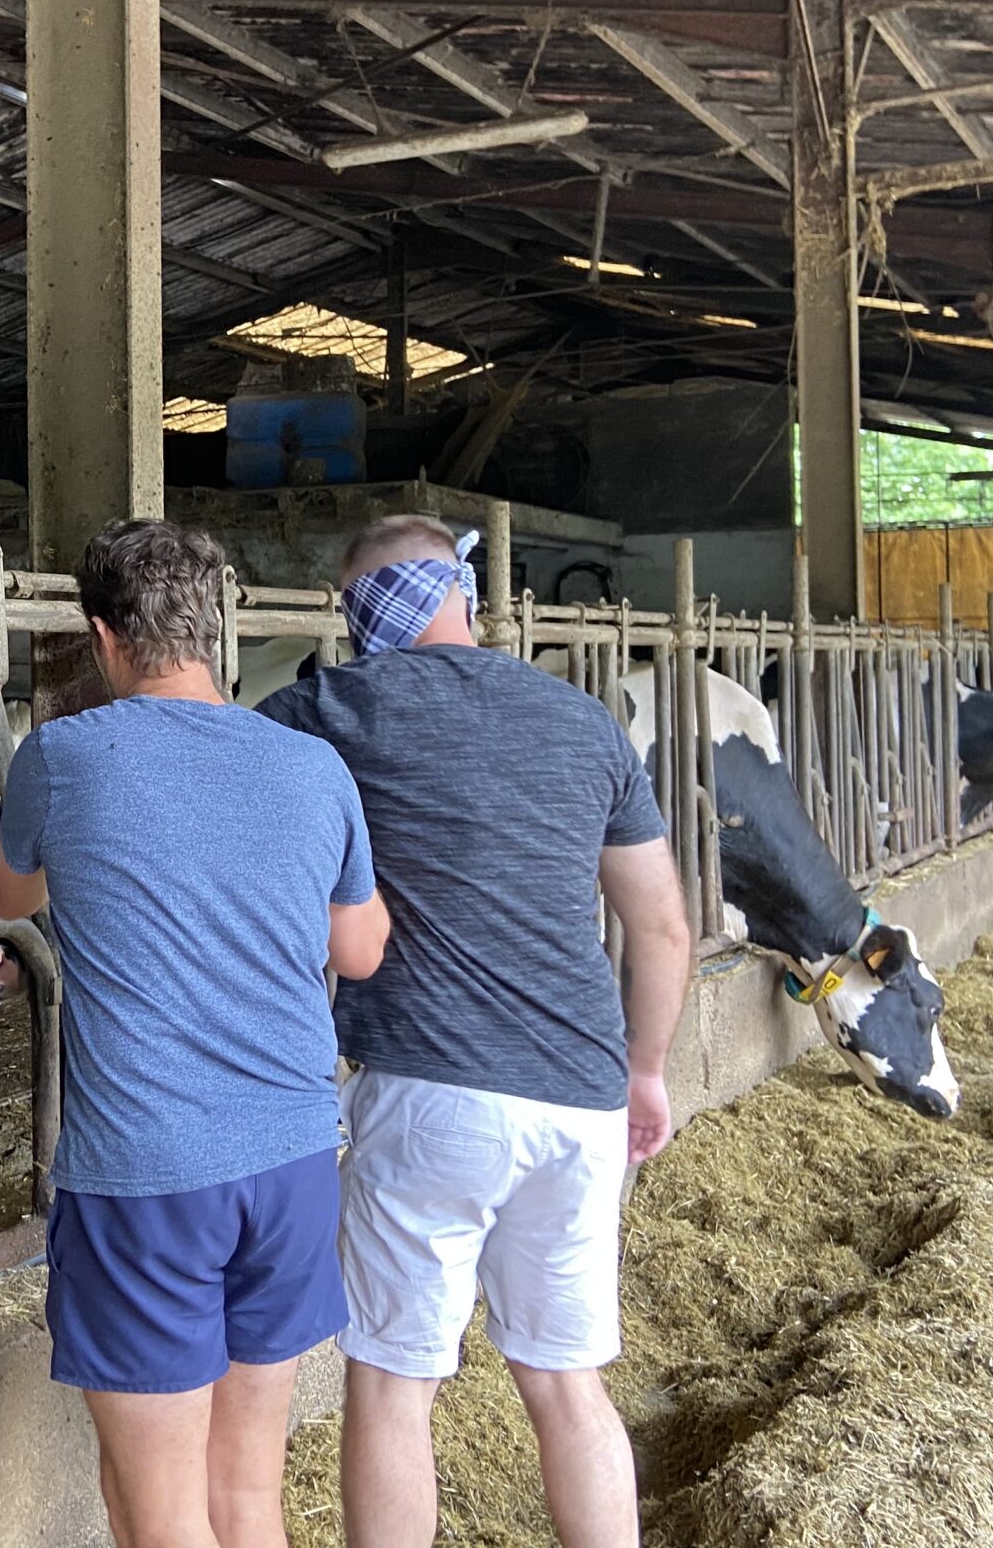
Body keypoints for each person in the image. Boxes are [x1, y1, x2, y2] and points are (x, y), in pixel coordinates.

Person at [256, 515, 693, 1548]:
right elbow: (662, 924)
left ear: (358, 614)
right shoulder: (583, 720)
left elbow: (227, 786)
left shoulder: (329, 708)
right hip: (581, 1099)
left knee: (395, 1384)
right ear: (463, 591)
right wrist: (647, 1071)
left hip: (429, 1092)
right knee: (566, 1384)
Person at [0, 518, 391, 1548]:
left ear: (102, 636)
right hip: (295, 1159)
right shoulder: (314, 769)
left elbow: (9, 893)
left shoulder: (62, 755)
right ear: (216, 630)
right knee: (244, 1498)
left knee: (164, 1516)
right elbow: (358, 953)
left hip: (149, 1177)